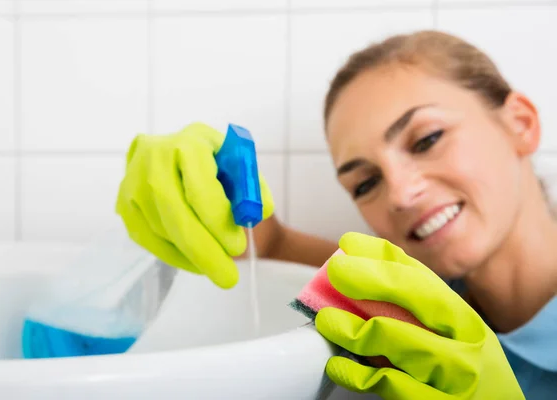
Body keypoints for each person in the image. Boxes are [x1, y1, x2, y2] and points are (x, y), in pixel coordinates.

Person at [115, 30, 557, 399]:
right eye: (365, 184)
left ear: (520, 123)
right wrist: (200, 179)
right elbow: (266, 247)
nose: (400, 194)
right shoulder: (421, 303)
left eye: (426, 140)